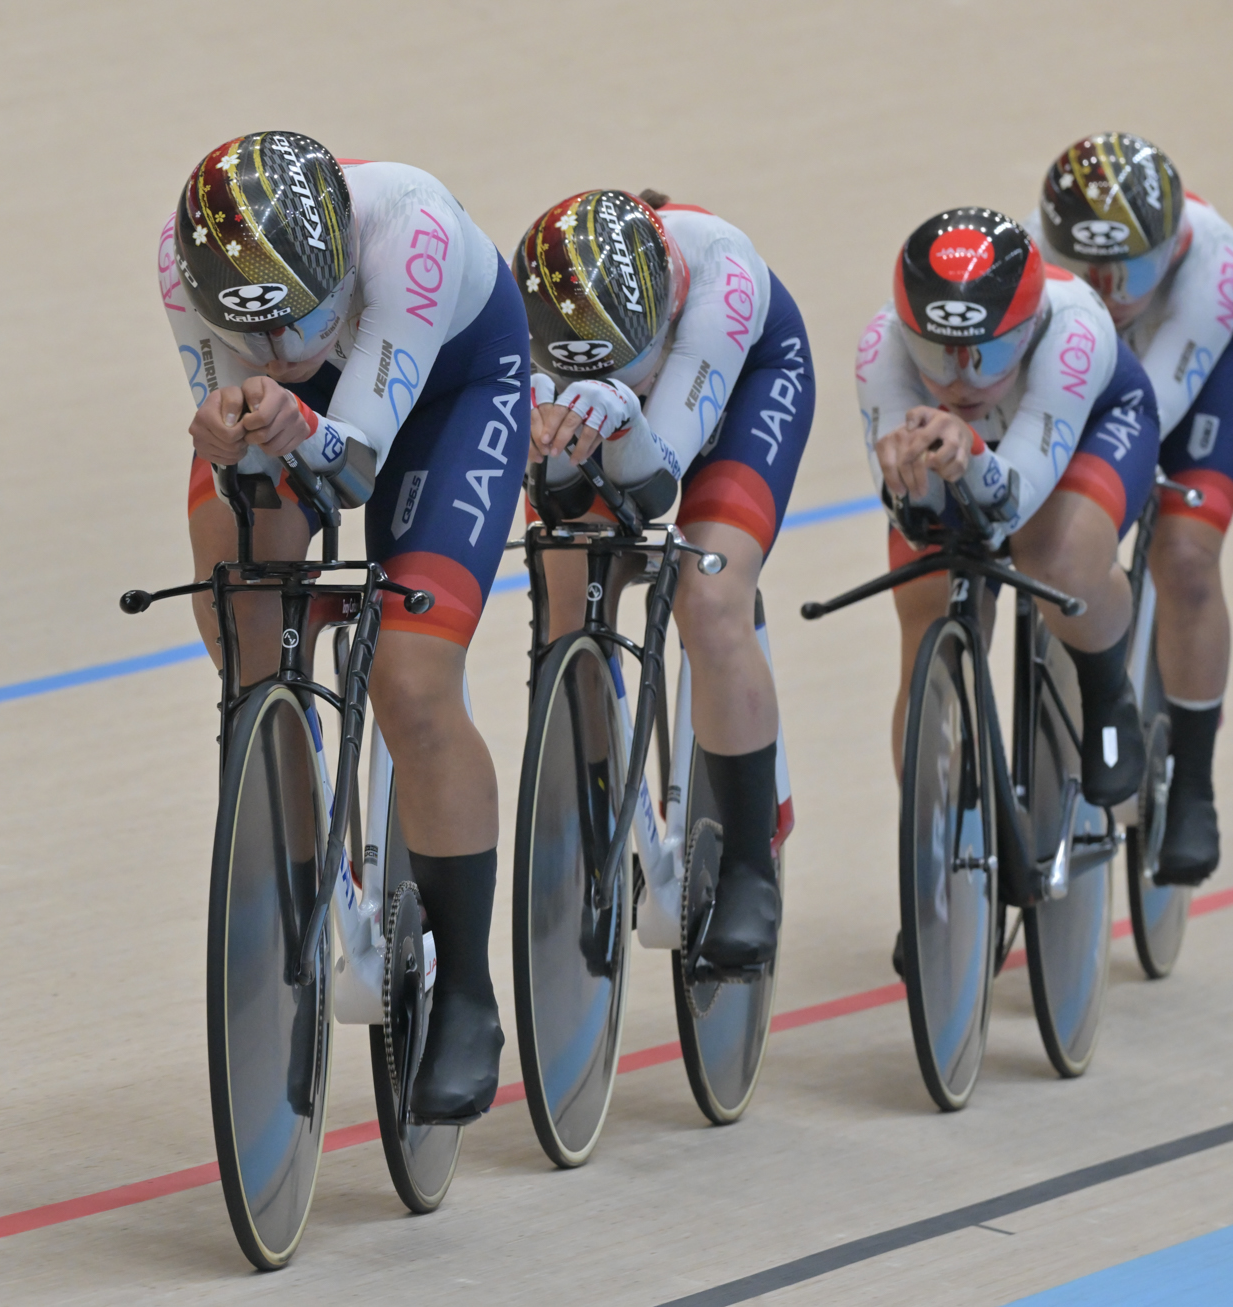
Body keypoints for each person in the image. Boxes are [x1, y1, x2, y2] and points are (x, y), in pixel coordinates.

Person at [158, 131, 526, 1124]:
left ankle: (465, 993)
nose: (280, 346)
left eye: (297, 317)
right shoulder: (179, 264)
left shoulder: (413, 233)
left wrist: (295, 420)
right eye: (256, 331)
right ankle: (298, 844)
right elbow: (248, 451)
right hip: (305, 415)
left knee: (410, 681)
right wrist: (230, 431)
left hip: (447, 385)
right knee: (243, 605)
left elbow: (351, 466)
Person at [515, 188, 813, 974]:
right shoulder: (533, 312)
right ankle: (597, 815)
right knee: (567, 584)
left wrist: (618, 409)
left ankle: (750, 864)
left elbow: (654, 484)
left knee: (709, 595)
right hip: (612, 402)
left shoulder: (721, 282)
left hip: (741, 385)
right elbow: (562, 494)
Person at [858, 207, 1161, 826]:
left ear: (1026, 331)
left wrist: (967, 450)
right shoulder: (880, 346)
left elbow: (1012, 502)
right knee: (925, 620)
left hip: (1083, 431)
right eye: (934, 353)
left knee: (1055, 562)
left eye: (987, 354)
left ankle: (1107, 693)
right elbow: (914, 514)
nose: (960, 379)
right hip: (966, 452)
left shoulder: (1071, 330)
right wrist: (921, 482)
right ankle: (932, 860)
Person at [1028, 133, 1233, 886]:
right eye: (1088, 269)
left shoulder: (1210, 265)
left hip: (1191, 366)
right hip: (1092, 362)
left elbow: (1147, 417)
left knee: (1186, 556)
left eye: (1130, 269)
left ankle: (1193, 781)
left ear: (1175, 242)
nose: (1111, 288)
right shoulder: (1032, 262)